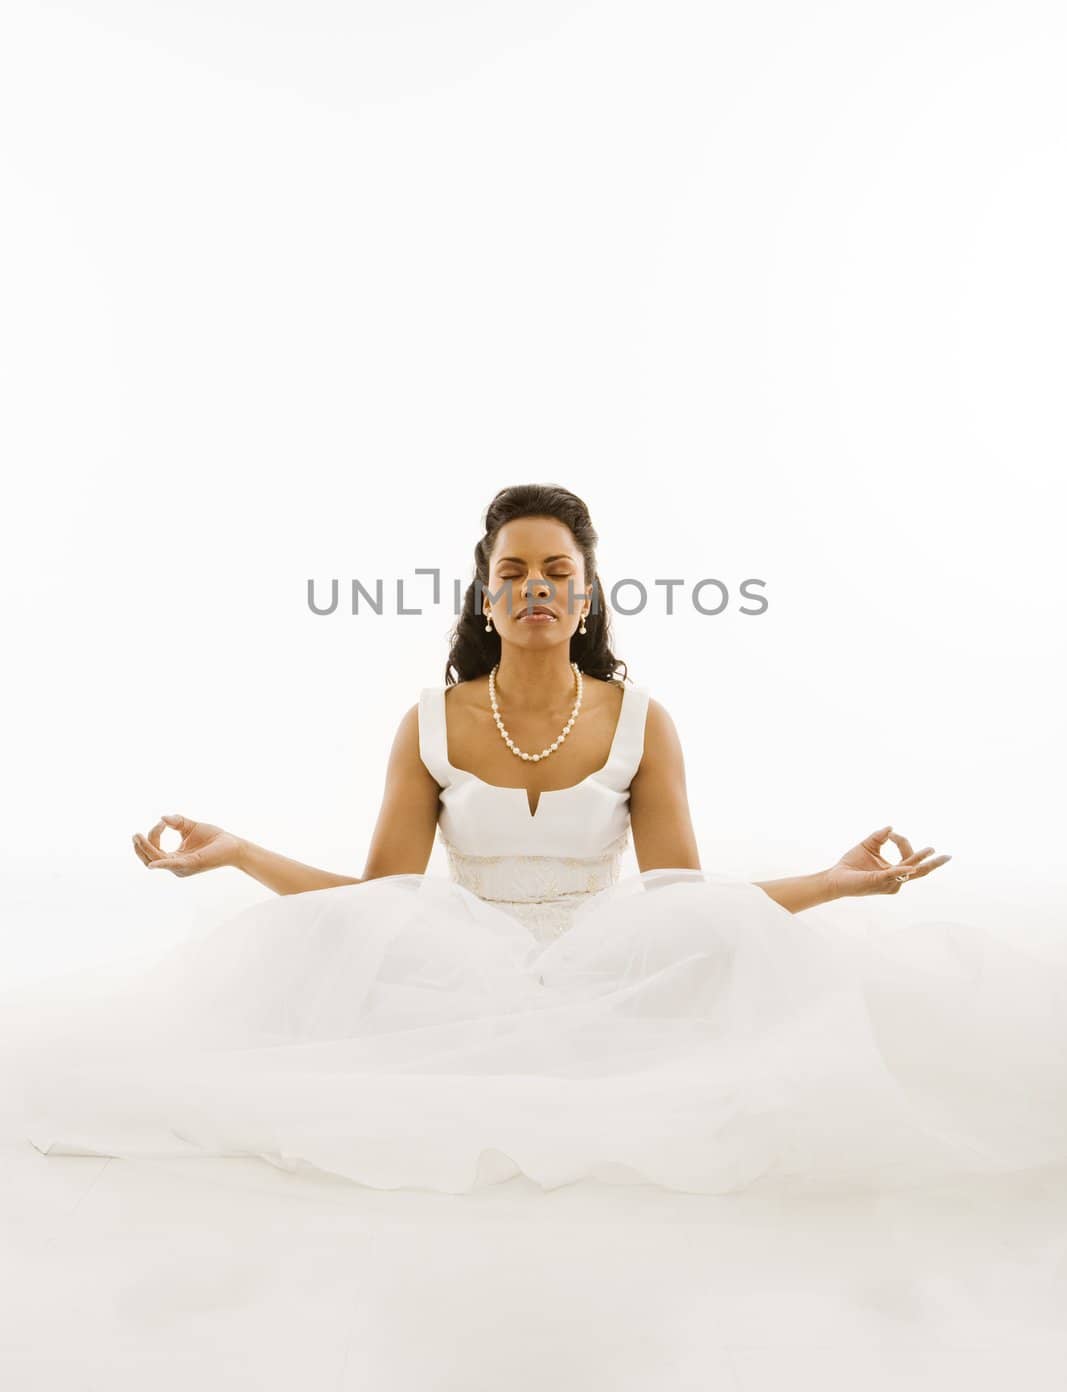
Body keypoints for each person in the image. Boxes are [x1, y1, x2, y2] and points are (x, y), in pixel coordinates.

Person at [5, 483, 1067, 1195]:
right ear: (484, 592)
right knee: (334, 953)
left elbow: (680, 903)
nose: (534, 590)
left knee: (751, 963)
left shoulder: (640, 719)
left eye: (555, 570)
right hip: (453, 954)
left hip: (608, 954)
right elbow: (378, 901)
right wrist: (236, 848)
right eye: (512, 572)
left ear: (587, 590)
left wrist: (833, 883)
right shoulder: (428, 719)